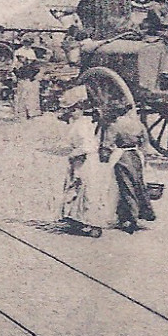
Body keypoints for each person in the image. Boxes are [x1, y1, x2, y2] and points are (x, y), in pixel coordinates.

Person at [55, 86, 103, 238]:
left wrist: (73, 154)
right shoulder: (78, 123)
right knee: (76, 189)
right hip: (79, 160)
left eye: (75, 110)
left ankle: (93, 224)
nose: (73, 113)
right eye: (71, 110)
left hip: (86, 160)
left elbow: (88, 146)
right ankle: (76, 219)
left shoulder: (83, 124)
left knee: (86, 191)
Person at [108, 107, 156, 233]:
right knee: (138, 184)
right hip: (136, 156)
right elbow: (145, 143)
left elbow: (107, 143)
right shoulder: (138, 124)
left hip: (121, 157)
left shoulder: (115, 125)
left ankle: (130, 218)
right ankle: (136, 214)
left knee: (125, 187)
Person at [12, 51, 41, 120]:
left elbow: (36, 71)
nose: (20, 59)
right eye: (19, 58)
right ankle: (22, 113)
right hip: (22, 82)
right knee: (22, 98)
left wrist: (32, 78)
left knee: (28, 98)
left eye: (21, 57)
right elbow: (16, 73)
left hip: (27, 82)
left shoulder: (29, 66)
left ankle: (30, 113)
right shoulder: (19, 66)